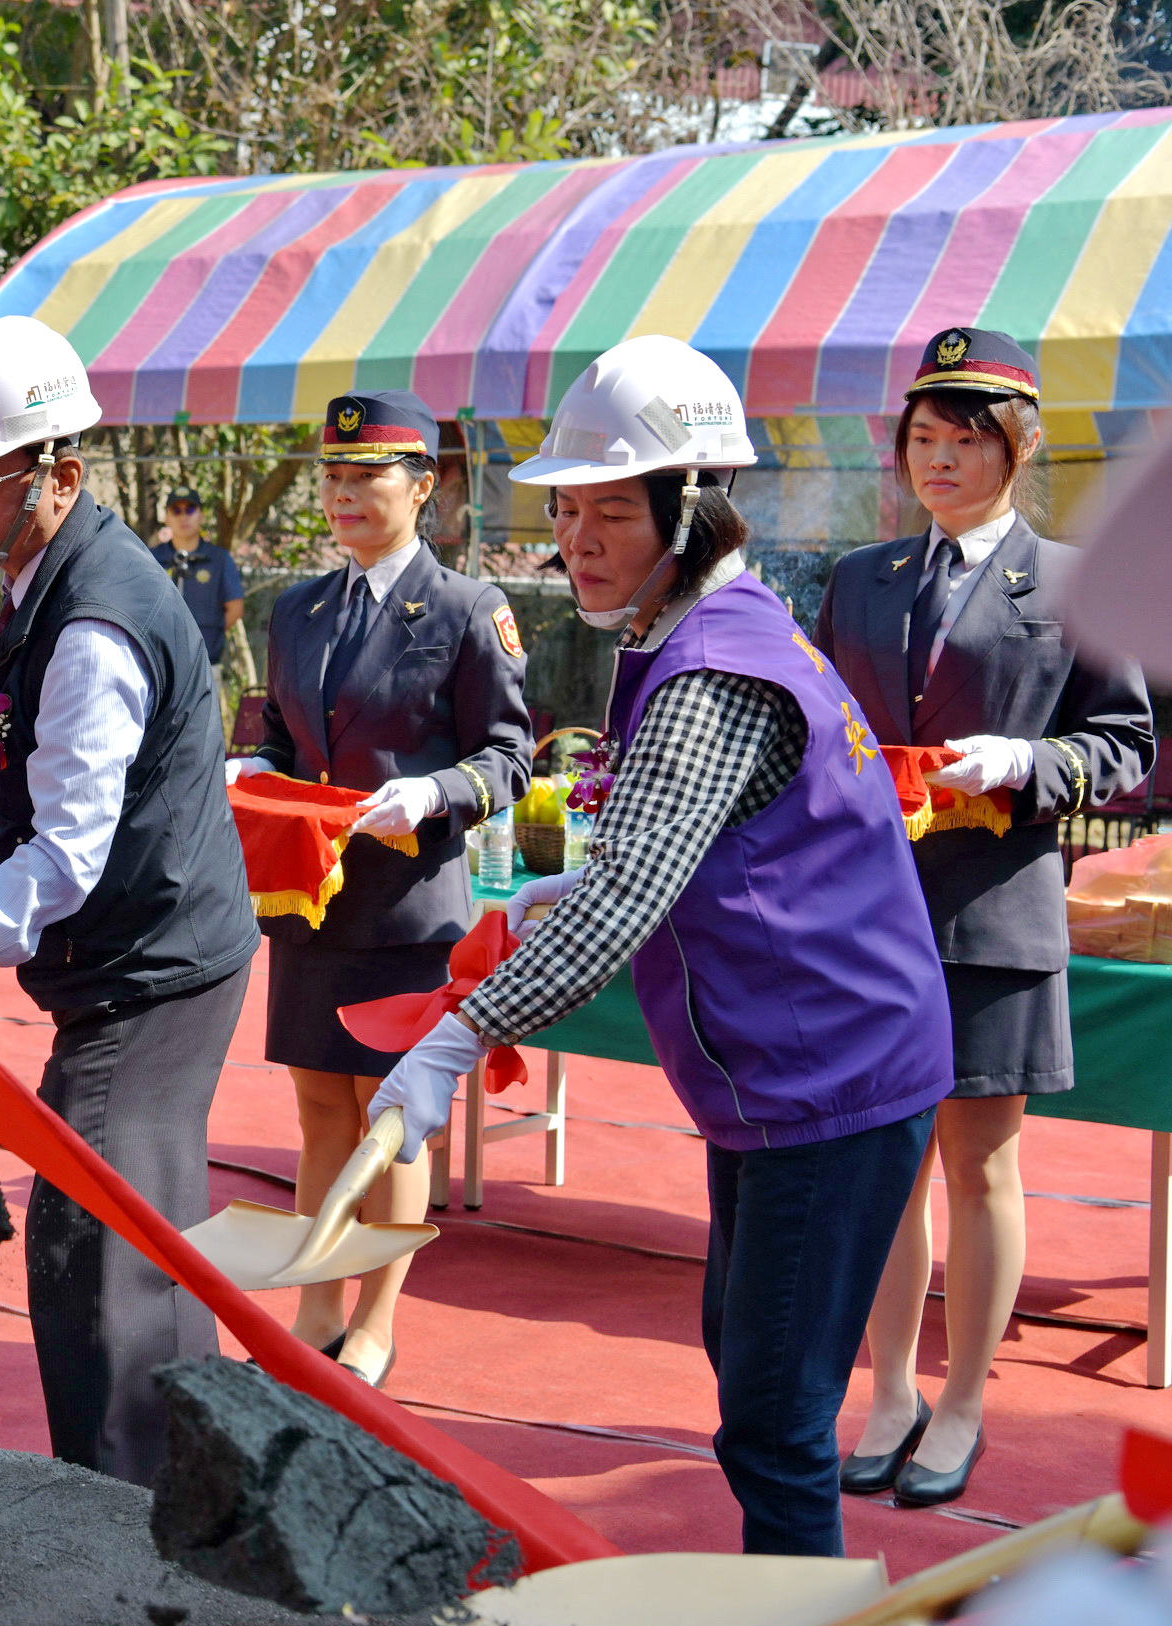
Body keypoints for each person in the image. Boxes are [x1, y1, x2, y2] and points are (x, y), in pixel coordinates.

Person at [370, 334, 952, 1558]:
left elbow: (633, 888)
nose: (572, 539)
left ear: (686, 511)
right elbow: (684, 847)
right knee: (746, 1363)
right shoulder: (708, 626)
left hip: (827, 1075)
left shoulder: (711, 667)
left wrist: (451, 1041)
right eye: (562, 509)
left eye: (604, 512)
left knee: (776, 1415)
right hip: (789, 1068)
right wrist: (567, 887)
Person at [0, 315, 257, 1486]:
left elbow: (66, 858)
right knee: (127, 1235)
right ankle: (169, 1489)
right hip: (142, 954)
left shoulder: (94, 614)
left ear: (61, 472)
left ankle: (122, 1507)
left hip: (150, 966)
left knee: (98, 1247)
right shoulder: (47, 572)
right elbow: (41, 749)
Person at [817, 328, 1153, 1508]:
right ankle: (888, 1389)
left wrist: (1021, 759)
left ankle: (961, 1401)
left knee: (981, 1165)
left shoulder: (1065, 582)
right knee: (880, 1169)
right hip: (868, 916)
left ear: (1013, 445)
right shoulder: (860, 579)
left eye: (966, 438)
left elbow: (1125, 744)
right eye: (922, 437)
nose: (940, 459)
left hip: (994, 909)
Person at [222, 391, 531, 1387]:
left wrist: (435, 791)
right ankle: (315, 1296)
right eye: (331, 475)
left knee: (391, 1116)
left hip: (407, 906)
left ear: (422, 485)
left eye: (366, 475)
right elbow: (278, 739)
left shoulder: (466, 608)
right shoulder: (299, 608)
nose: (342, 493)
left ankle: (378, 1315)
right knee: (319, 1109)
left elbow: (508, 757)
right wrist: (249, 774)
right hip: (312, 901)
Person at [150, 486, 244, 666]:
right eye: (176, 510)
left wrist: (206, 633)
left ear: (201, 515)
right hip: (160, 664)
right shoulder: (151, 558)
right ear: (167, 518)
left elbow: (235, 609)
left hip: (206, 662)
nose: (183, 517)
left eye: (190, 509)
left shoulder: (219, 558)